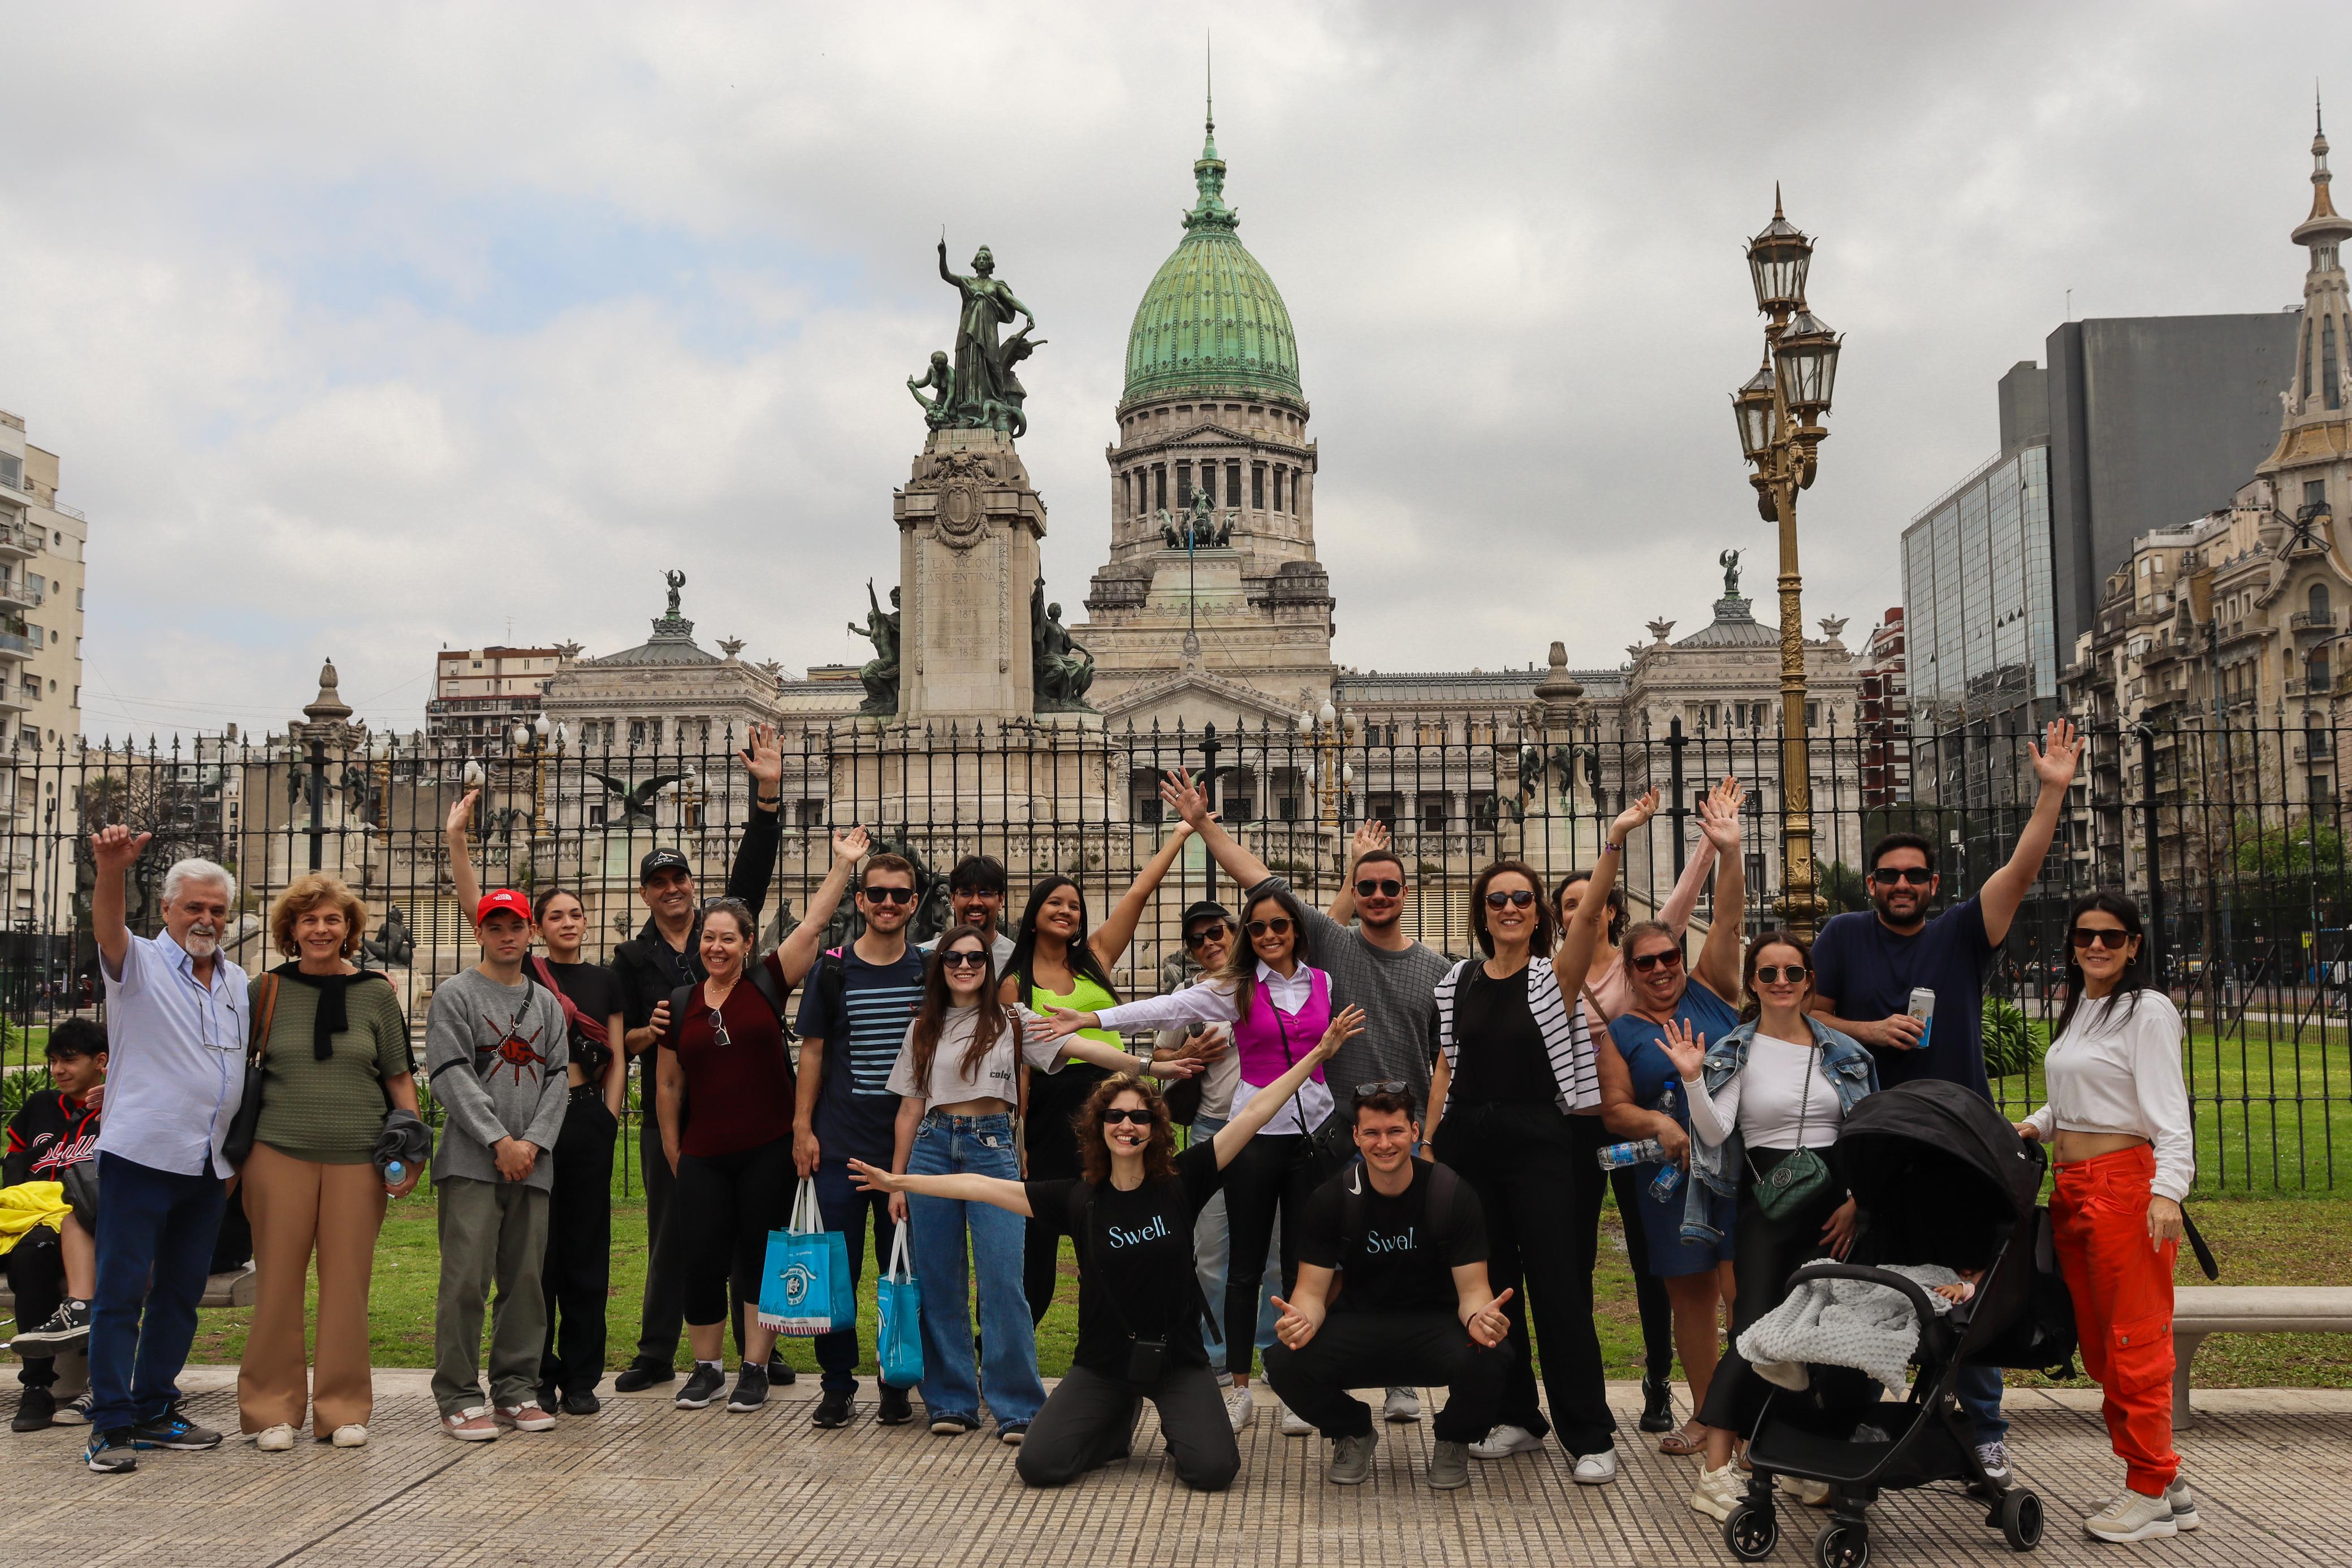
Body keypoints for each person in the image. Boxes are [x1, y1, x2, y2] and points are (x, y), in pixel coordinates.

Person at [850, 1006, 1367, 1492]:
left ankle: (1170, 1420)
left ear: (1155, 1128)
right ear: (1099, 1127)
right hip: (1102, 1365)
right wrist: (900, 1180)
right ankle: (1115, 1422)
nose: (1127, 1125)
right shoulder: (1078, 1198)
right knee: (1039, 1465)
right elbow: (978, 1187)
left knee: (1212, 1470)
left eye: (1140, 1117)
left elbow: (1254, 1112)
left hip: (1177, 1360)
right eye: (1116, 1116)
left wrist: (1319, 1054)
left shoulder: (1183, 1181)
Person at [1810, 718, 2082, 1482]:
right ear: (1871, 885)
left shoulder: (1964, 931)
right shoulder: (1841, 934)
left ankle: (1982, 1429)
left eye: (1914, 876)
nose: (1901, 885)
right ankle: (1860, 1423)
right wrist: (1866, 1027)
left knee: (1972, 1287)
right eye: (1888, 875)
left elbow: (2020, 874)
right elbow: (1809, 1016)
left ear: (1932, 886)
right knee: (1868, 1285)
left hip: (1961, 1143)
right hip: (1875, 1144)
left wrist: (2051, 792)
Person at [1157, 772, 1453, 1427]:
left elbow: (1444, 1062)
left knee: (1397, 1257)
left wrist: (1426, 1134)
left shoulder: (1436, 969)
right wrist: (1203, 825)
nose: (1376, 895)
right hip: (1330, 1132)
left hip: (1396, 1135)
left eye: (1388, 887)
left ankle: (1400, 1379)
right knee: (1320, 1261)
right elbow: (1263, 883)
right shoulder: (1331, 949)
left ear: (1407, 894)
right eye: (1366, 886)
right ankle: (1304, 1372)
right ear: (1357, 892)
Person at [884, 925, 1207, 1443]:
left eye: (976, 958)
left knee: (1004, 1281)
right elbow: (909, 1108)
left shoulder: (1012, 1020)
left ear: (990, 967)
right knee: (940, 1278)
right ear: (939, 967)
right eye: (953, 959)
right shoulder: (924, 1026)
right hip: (932, 1146)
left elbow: (1086, 1048)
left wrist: (1148, 1064)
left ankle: (1016, 1405)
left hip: (991, 1147)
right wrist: (898, 1181)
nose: (965, 966)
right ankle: (952, 1400)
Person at [1035, 878, 1333, 1434]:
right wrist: (1091, 1019)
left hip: (1311, 1132)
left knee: (1299, 1262)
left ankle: (1295, 1381)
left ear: (1296, 930)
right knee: (1241, 1264)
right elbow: (1167, 1005)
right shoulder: (1235, 987)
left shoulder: (1324, 980)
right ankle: (1239, 1385)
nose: (1268, 934)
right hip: (1252, 1134)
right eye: (1259, 926)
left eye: (1279, 925)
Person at [1421, 795, 1661, 1483]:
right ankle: (1517, 1413)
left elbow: (1588, 916)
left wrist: (1614, 839)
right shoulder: (1455, 982)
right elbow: (1444, 1067)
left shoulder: (1550, 976)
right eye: (1497, 898)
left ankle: (1588, 1430)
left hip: (1539, 1138)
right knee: (1493, 1287)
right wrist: (1430, 1144)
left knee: (1559, 1285)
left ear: (1538, 911)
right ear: (1482, 909)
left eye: (1522, 898)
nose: (1509, 907)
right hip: (1469, 1140)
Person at [609, 723, 795, 1396]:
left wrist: (766, 794)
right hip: (677, 1111)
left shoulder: (722, 934)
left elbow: (755, 866)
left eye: (679, 878)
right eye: (658, 882)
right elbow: (619, 1038)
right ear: (646, 894)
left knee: (753, 1235)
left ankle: (762, 1353)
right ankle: (660, 1349)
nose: (672, 890)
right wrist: (649, 1032)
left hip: (744, 1109)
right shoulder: (633, 959)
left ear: (694, 884)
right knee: (677, 1236)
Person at [1667, 930, 1877, 1521]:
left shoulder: (1844, 1052)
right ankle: (1714, 1471)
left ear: (1808, 978)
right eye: (1767, 974)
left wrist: (1858, 1198)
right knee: (1757, 1330)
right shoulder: (1737, 1050)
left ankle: (1801, 1458)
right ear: (1752, 983)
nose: (1780, 983)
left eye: (1792, 972)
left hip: (1837, 1205)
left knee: (1827, 1333)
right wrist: (1690, 1077)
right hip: (1771, 1200)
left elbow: (1866, 1135)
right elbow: (1712, 1134)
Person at [2016, 892, 2198, 1544]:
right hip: (2072, 1189)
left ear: (2133, 944)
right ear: (2071, 944)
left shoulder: (2146, 1009)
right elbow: (2081, 1093)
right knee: (2097, 1344)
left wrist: (2167, 1190)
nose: (2096, 945)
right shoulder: (2086, 1007)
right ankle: (2163, 1478)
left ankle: (2147, 1488)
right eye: (2085, 935)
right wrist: (2038, 1123)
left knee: (2133, 1342)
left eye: (2111, 936)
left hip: (2125, 1189)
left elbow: (2168, 1111)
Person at [1561, 780, 1733, 1436]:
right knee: (1680, 1284)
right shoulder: (1596, 1001)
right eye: (1648, 962)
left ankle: (1725, 1406)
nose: (1660, 967)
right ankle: (1699, 1406)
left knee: (1735, 1288)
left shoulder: (1704, 987)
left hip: (1730, 1163)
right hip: (1647, 1160)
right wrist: (1659, 1122)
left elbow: (1716, 919)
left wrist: (1720, 849)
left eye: (1668, 957)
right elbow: (1614, 1107)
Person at [81, 829, 248, 1475]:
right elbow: (107, 923)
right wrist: (111, 868)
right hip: (141, 1157)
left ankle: (154, 1407)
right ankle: (110, 1424)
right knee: (121, 1292)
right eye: (193, 907)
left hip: (207, 1166)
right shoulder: (139, 963)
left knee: (179, 1295)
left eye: (216, 909)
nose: (205, 918)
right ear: (169, 910)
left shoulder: (237, 981)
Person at [236, 873, 418, 1452]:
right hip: (276, 1152)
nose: (321, 928)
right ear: (291, 929)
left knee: (347, 1287)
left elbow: (398, 1077)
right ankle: (272, 1409)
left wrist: (411, 1148)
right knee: (277, 1287)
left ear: (349, 929)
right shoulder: (262, 989)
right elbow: (228, 1070)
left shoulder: (375, 993)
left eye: (332, 919)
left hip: (357, 1159)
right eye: (309, 919)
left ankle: (342, 1408)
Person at [1262, 1086, 1514, 1490]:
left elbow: (1473, 1292)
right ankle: (1353, 1430)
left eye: (1395, 1132)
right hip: (1359, 1324)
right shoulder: (1332, 1200)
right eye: (1373, 1133)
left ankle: (1454, 1438)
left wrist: (1481, 1317)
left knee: (1493, 1351)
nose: (1384, 1144)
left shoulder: (1451, 1193)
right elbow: (1311, 1292)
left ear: (1415, 1132)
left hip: (1435, 1326)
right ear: (1357, 1136)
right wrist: (1302, 1320)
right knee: (1282, 1361)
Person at [1000, 824, 1197, 1327]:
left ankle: (1118, 1340)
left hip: (1114, 1104)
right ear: (1034, 915)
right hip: (1050, 1111)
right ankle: (1003, 1353)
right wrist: (1019, 1137)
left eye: (1074, 906)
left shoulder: (1096, 961)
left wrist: (1180, 833)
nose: (1067, 912)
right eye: (1056, 904)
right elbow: (1020, 1065)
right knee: (1039, 1240)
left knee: (1116, 1226)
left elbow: (1139, 891)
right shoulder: (1014, 982)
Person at [426, 887, 570, 1442]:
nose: (507, 935)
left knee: (525, 1282)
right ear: (480, 932)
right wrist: (497, 1139)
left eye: (516, 925)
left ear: (530, 931)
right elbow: (449, 1071)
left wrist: (532, 1142)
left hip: (532, 1163)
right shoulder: (457, 994)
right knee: (465, 1280)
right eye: (495, 925)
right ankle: (459, 1395)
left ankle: (515, 1388)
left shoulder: (547, 1004)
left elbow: (558, 1076)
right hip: (472, 1163)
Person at [794, 851, 928, 1428]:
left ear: (914, 902)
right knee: (836, 1271)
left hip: (905, 1150)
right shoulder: (832, 968)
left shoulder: (927, 971)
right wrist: (802, 1128)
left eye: (900, 895)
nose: (888, 904)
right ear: (860, 900)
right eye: (877, 894)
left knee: (900, 1270)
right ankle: (836, 1381)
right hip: (840, 1143)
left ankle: (894, 1378)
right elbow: (813, 1051)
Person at [658, 898, 799, 1414]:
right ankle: (707, 1368)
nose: (716, 948)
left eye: (728, 939)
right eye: (709, 938)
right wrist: (674, 1148)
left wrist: (844, 866)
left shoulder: (767, 986)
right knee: (701, 1260)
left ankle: (755, 1369)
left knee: (762, 1262)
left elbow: (816, 926)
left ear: (747, 944)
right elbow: (669, 1083)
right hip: (703, 1154)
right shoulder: (680, 1001)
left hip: (767, 1150)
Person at [1152, 902, 1281, 1396]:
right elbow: (1162, 1050)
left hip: (1269, 1129)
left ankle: (1274, 1353)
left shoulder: (1271, 983)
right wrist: (1186, 1053)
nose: (1209, 943)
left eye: (1217, 932)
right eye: (1197, 939)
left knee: (1273, 1249)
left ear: (1237, 932)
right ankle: (1216, 1354)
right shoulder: (1191, 995)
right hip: (1210, 1129)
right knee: (1211, 1251)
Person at [5, 1019, 106, 1432]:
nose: (58, 1070)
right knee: (31, 1255)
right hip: (35, 1221)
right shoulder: (41, 1107)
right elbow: (14, 1168)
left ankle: (59, 1385)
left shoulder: (120, 1106)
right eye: (53, 1062)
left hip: (89, 1222)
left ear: (101, 1062)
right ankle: (37, 1389)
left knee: (38, 1255)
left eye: (69, 1061)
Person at [918, 855, 1015, 968]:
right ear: (953, 899)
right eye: (966, 893)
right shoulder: (926, 956)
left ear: (1001, 900)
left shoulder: (1017, 959)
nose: (975, 902)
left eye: (986, 894)